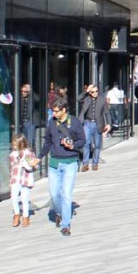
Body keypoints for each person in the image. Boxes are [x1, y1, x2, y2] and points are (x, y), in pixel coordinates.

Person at [40, 97, 86, 236]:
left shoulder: (75, 122)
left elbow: (82, 140)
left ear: (64, 110)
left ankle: (66, 225)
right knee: (54, 194)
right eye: (52, 111)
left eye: (55, 111)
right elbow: (47, 142)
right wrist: (39, 157)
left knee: (66, 194)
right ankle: (59, 212)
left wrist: (72, 145)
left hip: (70, 163)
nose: (53, 113)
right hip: (54, 163)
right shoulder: (52, 123)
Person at [77, 83, 110, 172]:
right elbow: (78, 99)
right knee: (86, 143)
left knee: (97, 144)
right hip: (87, 123)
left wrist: (109, 123)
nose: (95, 93)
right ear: (90, 93)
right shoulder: (87, 99)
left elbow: (107, 112)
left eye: (96, 91)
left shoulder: (102, 99)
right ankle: (85, 164)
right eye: (93, 92)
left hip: (98, 124)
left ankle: (95, 163)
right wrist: (86, 91)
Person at [8, 133, 38, 227]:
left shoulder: (28, 154)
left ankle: (25, 216)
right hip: (15, 178)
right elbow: (12, 167)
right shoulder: (13, 154)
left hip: (25, 179)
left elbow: (35, 166)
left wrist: (29, 165)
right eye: (13, 144)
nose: (13, 146)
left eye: (15, 144)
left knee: (25, 198)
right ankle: (16, 214)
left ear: (21, 144)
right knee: (14, 197)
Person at [20, 83, 36, 148]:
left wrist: (31, 91)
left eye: (25, 91)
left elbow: (38, 99)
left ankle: (31, 155)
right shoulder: (19, 99)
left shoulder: (32, 98)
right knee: (22, 141)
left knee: (30, 141)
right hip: (22, 122)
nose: (23, 93)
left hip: (30, 122)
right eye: (22, 91)